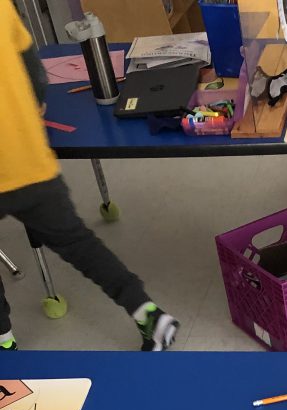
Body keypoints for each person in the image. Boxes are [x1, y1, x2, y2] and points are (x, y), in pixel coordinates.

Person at [0, 0, 178, 352]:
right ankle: (147, 314)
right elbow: (32, 69)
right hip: (29, 160)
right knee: (76, 242)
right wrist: (32, 105)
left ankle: (4, 342)